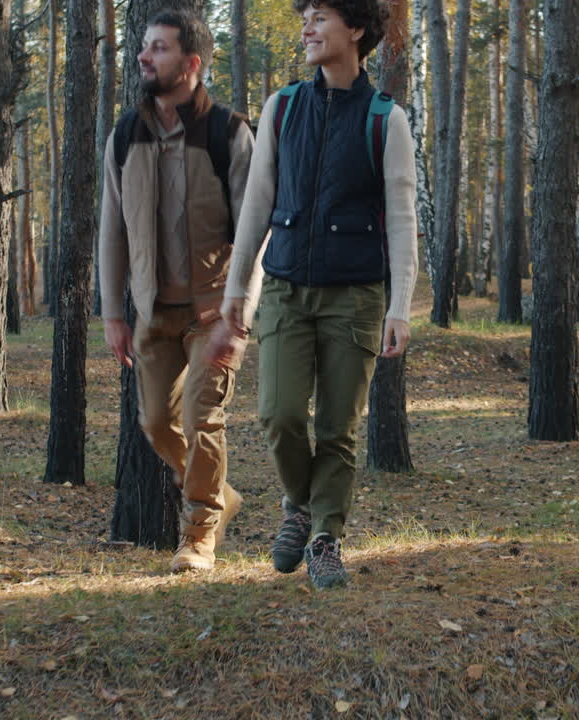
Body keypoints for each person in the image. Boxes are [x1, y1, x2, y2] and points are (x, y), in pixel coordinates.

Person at [214, 0, 418, 589]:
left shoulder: (386, 119)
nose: (307, 27)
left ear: (355, 29)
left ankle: (325, 538)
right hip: (285, 288)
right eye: (304, 16)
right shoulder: (282, 107)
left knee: (336, 428)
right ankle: (300, 505)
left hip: (355, 296)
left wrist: (399, 306)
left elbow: (402, 220)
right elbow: (258, 203)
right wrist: (237, 285)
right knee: (277, 415)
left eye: (320, 16)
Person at [98, 10, 254, 573]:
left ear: (191, 63)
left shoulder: (229, 133)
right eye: (144, 46)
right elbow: (111, 229)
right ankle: (219, 493)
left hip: (213, 312)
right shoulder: (126, 134)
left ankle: (199, 535)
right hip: (152, 313)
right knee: (156, 425)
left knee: (202, 420)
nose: (144, 56)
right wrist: (113, 313)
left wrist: (238, 313)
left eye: (158, 48)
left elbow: (255, 231)